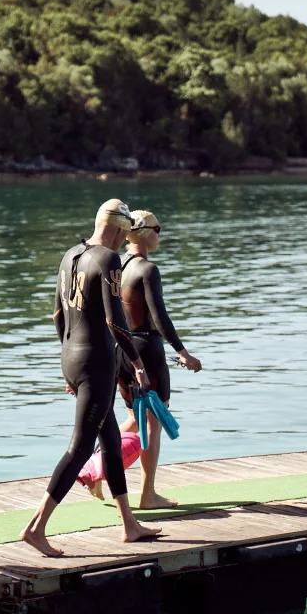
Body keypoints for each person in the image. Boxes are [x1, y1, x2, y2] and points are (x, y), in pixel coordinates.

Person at [19, 199, 163, 557]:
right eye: (124, 233)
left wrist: (70, 361)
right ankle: (36, 528)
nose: (123, 240)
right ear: (117, 229)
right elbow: (116, 321)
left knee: (112, 441)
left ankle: (129, 524)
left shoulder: (70, 255)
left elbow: (56, 313)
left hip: (72, 355)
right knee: (82, 445)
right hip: (97, 360)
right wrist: (138, 365)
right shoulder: (109, 259)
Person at [114, 210, 201, 508]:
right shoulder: (147, 270)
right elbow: (159, 316)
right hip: (147, 352)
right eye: (158, 228)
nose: (160, 234)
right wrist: (182, 352)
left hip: (121, 351)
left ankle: (95, 468)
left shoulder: (117, 264)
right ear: (146, 233)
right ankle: (147, 495)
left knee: (131, 419)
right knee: (152, 423)